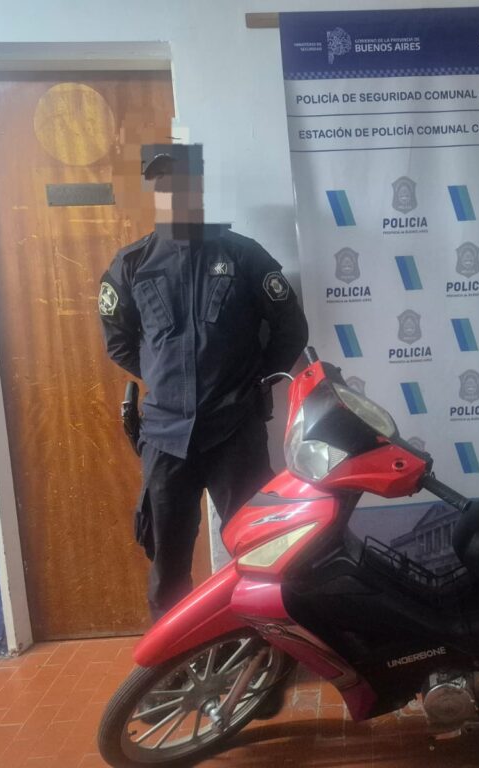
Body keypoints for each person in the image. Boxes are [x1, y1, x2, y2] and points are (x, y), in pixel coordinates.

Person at [99, 143, 308, 619]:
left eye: (183, 182)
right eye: (163, 184)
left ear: (199, 187)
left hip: (234, 434)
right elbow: (118, 342)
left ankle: (262, 646)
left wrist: (251, 380)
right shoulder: (131, 265)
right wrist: (165, 378)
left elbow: (291, 330)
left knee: (258, 551)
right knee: (168, 566)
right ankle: (177, 657)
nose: (174, 193)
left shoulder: (244, 255)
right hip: (165, 440)